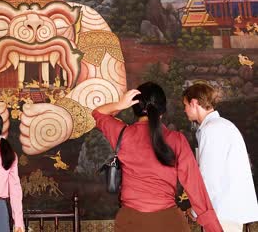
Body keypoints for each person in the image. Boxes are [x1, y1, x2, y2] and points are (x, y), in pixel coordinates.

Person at [92, 82, 222, 232]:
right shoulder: (176, 139)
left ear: (135, 108)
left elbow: (98, 113)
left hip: (130, 222)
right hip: (169, 222)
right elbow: (195, 187)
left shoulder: (122, 134)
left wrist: (120, 104)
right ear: (163, 110)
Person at [183, 83, 258, 232]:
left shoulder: (212, 130)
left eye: (185, 105)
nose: (184, 110)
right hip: (226, 212)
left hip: (223, 213)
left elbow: (209, 178)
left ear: (194, 103)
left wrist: (196, 210)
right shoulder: (219, 126)